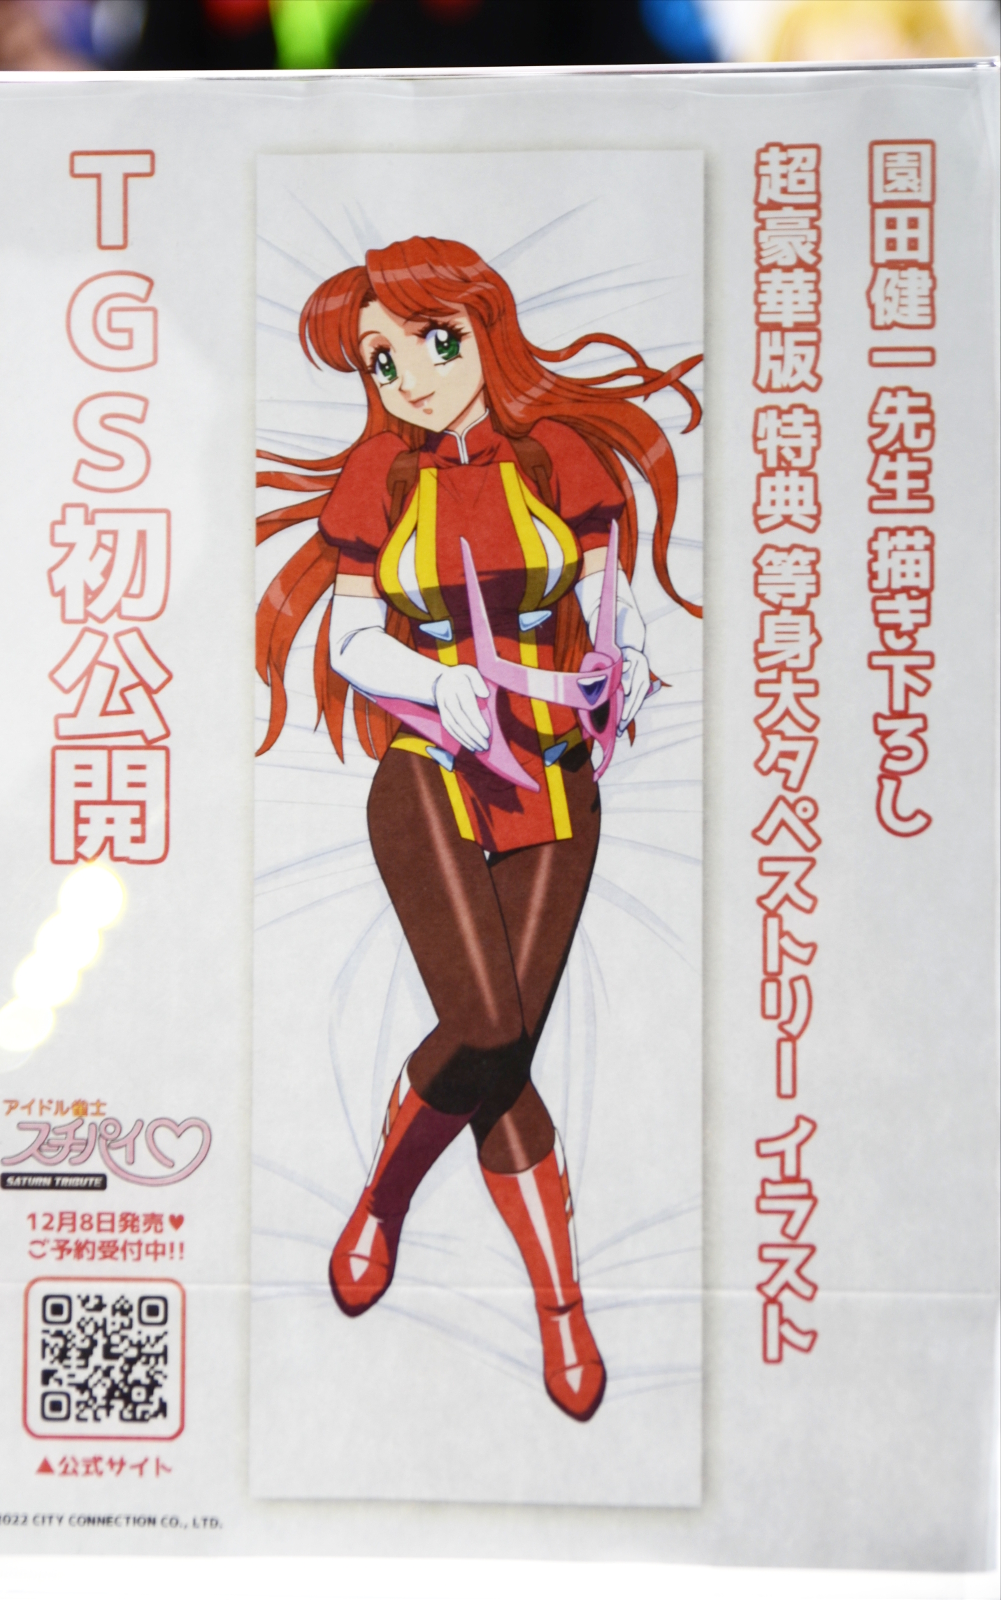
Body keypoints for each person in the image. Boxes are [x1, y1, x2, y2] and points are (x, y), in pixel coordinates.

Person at [256, 235, 701, 1422]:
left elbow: (609, 592)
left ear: (484, 332)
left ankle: (400, 1211)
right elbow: (351, 636)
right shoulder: (380, 476)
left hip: (554, 774)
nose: (408, 379)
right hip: (429, 768)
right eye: (380, 361)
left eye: (433, 343)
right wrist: (427, 679)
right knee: (491, 1027)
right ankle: (536, 1290)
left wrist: (624, 664)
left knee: (498, 1055)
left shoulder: (557, 455)